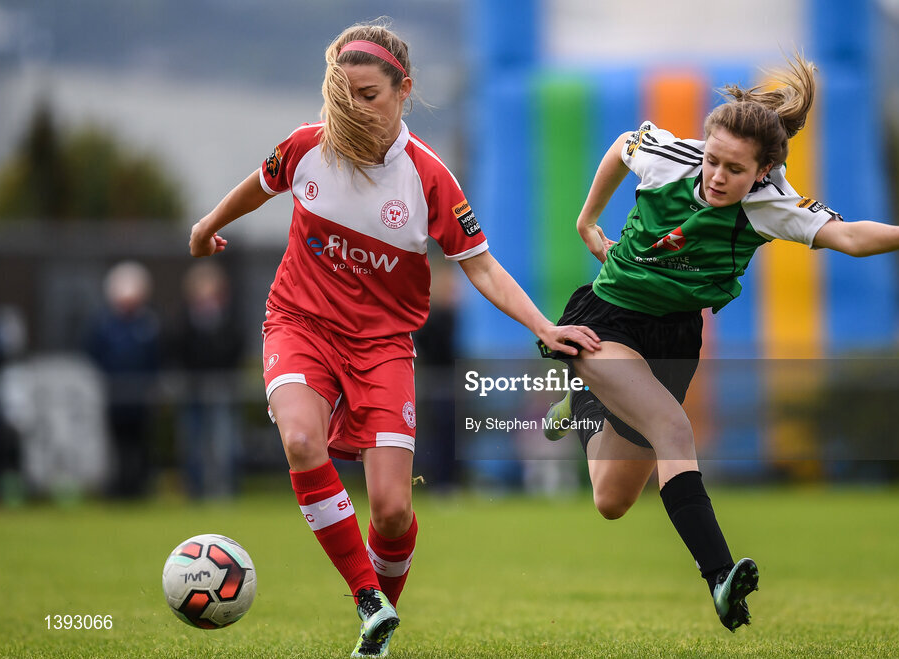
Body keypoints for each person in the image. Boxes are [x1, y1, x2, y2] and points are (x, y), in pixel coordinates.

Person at [188, 20, 599, 658]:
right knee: (300, 438)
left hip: (383, 348)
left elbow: (482, 266)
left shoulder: (428, 178)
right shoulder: (307, 148)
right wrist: (209, 223)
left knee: (392, 513)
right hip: (299, 323)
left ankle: (374, 632)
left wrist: (544, 326)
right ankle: (365, 596)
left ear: (404, 90)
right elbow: (261, 182)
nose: (356, 108)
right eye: (344, 93)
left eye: (371, 94)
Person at [539, 53, 899, 633]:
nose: (718, 177)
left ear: (765, 170)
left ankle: (585, 403)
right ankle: (720, 576)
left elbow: (846, 234)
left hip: (675, 335)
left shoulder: (772, 206)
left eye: (735, 169)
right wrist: (586, 220)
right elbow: (624, 144)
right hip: (608, 319)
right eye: (714, 161)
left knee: (612, 499)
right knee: (673, 429)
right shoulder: (670, 157)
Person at [84, 260, 162, 499]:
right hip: (112, 397)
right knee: (114, 445)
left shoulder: (148, 322)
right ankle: (116, 489)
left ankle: (139, 488)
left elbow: (156, 356)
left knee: (141, 444)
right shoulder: (103, 324)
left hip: (140, 399)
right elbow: (92, 353)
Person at [172, 261, 244, 499]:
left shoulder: (228, 319)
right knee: (193, 442)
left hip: (222, 388)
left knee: (224, 442)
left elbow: (236, 348)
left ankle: (223, 489)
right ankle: (195, 490)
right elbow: (177, 348)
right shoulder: (184, 319)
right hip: (193, 390)